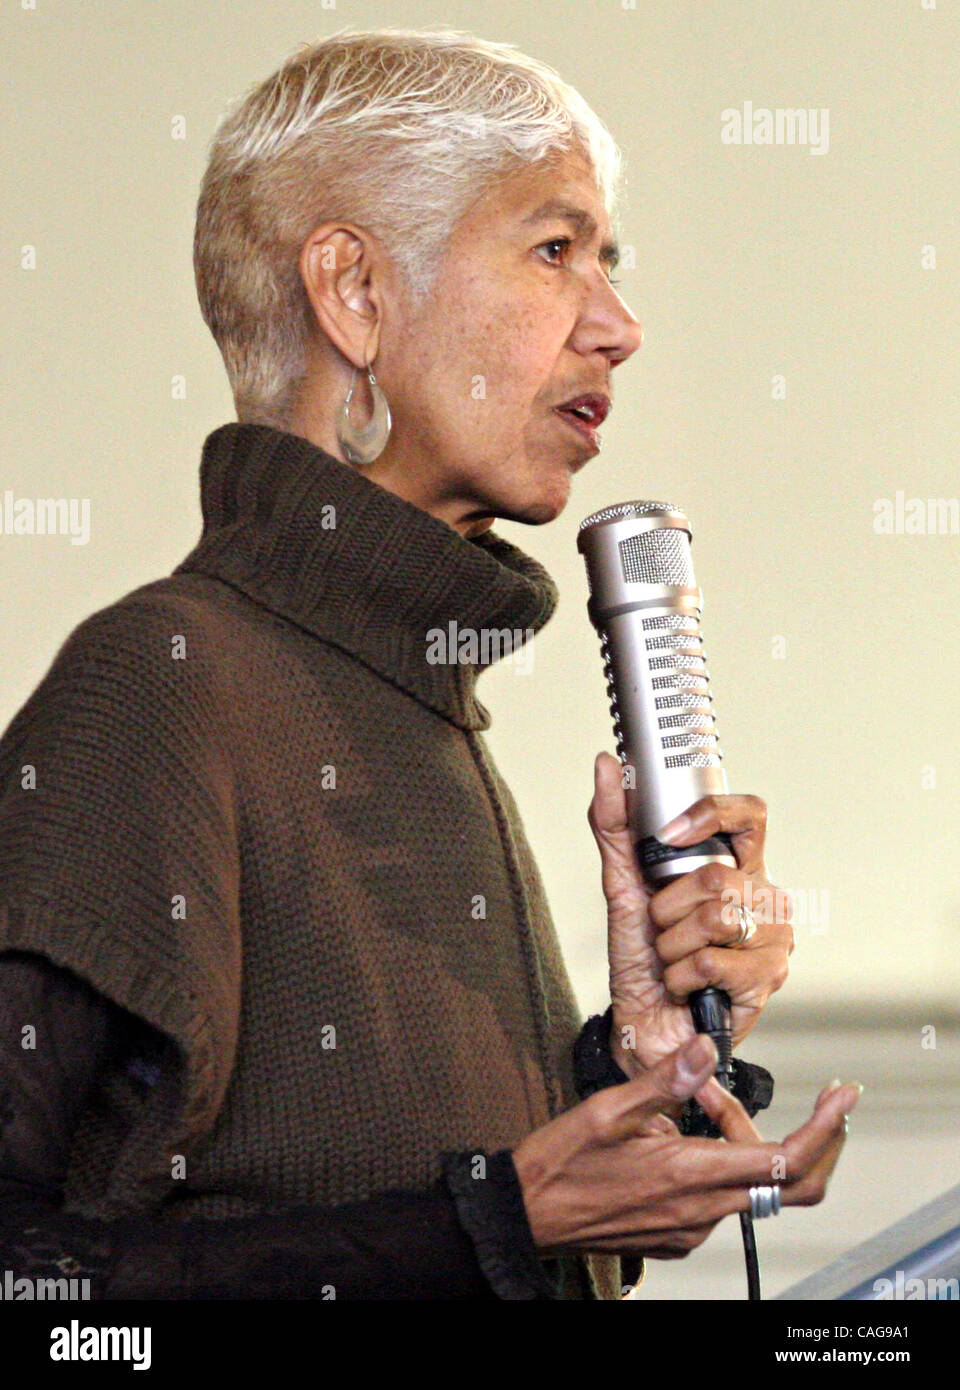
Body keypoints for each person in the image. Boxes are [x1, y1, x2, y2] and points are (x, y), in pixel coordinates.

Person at [0, 28, 859, 1301]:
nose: (621, 325)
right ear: (353, 293)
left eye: (610, 261)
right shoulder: (160, 683)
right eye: (556, 250)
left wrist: (634, 1069)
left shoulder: (418, 701)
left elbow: (400, 1194)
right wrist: (494, 1225)